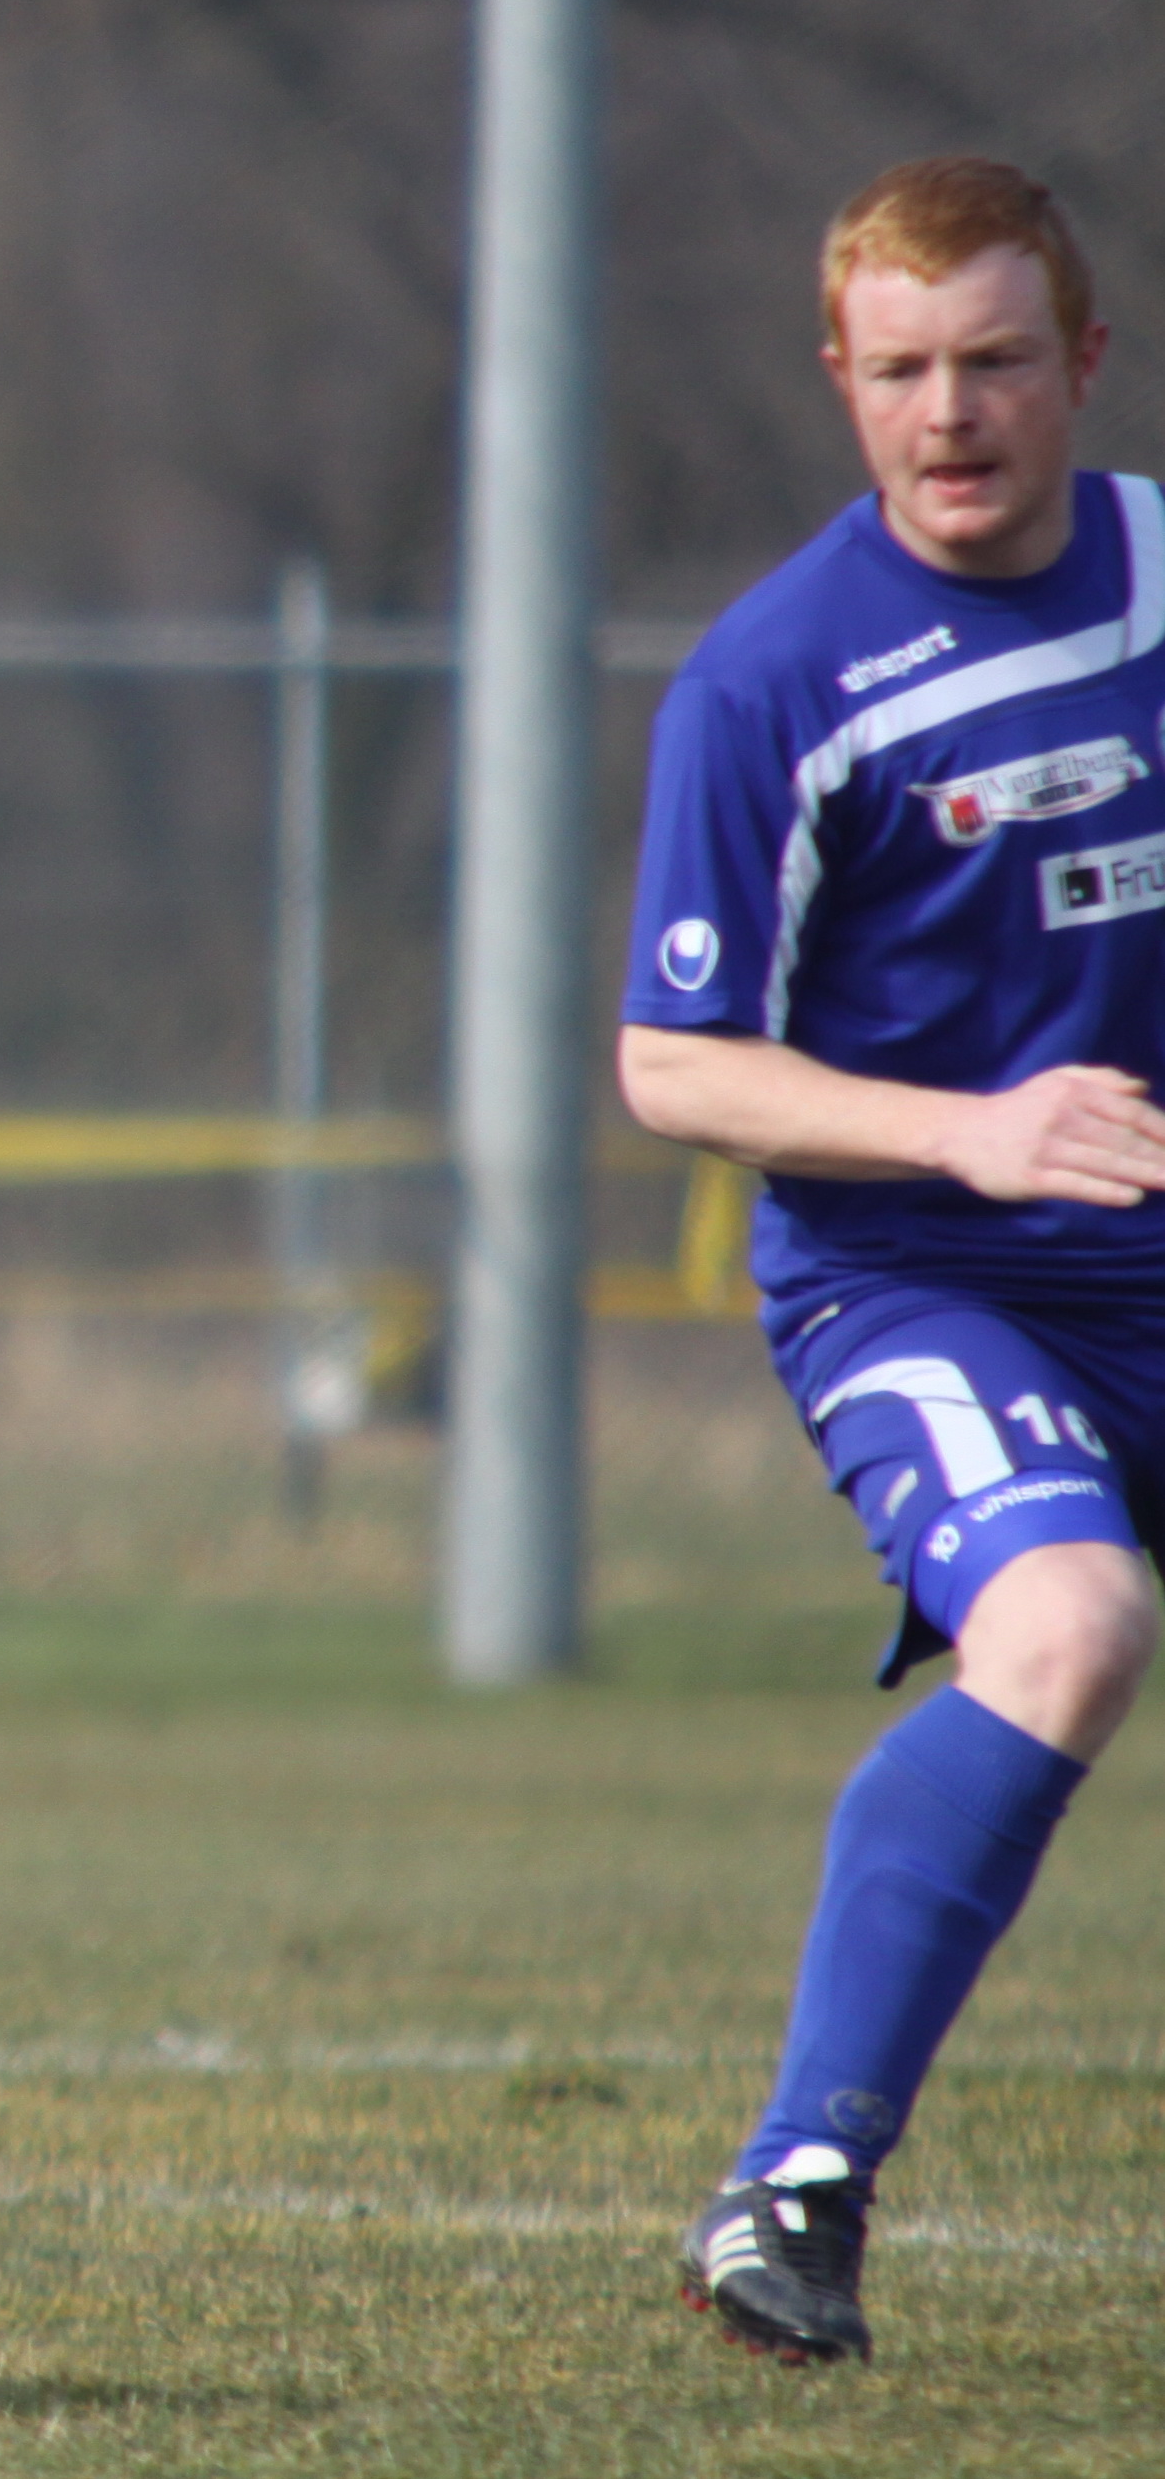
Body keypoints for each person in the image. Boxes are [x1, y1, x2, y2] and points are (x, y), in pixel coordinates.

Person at [623, 156, 1165, 2366]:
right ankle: (798, 2182)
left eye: (996, 361)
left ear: (1083, 363)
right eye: (903, 369)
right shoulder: (769, 681)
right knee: (1069, 1621)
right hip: (922, 1282)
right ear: (838, 379)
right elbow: (671, 1062)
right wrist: (971, 1128)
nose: (950, 413)